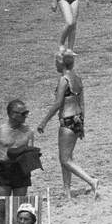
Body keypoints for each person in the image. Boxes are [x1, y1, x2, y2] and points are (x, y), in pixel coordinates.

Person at [36, 48, 99, 198]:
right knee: (67, 157)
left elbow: (58, 103)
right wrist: (82, 123)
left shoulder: (63, 80)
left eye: (55, 62)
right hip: (77, 119)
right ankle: (67, 191)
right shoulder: (77, 78)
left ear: (61, 63)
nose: (55, 65)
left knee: (65, 159)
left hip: (67, 120)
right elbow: (82, 103)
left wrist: (44, 122)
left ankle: (91, 181)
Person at [0, 99, 37, 202]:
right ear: (12, 114)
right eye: (23, 113)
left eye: (27, 113)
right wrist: (3, 160)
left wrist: (32, 157)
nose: (26, 116)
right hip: (4, 170)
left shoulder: (28, 131)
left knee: (19, 205)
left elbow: (30, 152)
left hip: (21, 171)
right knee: (2, 205)